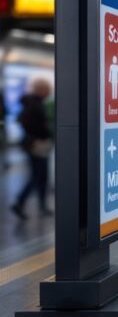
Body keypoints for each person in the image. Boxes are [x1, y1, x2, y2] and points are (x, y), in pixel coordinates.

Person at [11, 78, 53, 219]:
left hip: (35, 143)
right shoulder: (34, 105)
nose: (49, 92)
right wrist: (46, 133)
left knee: (42, 177)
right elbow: (33, 125)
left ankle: (42, 206)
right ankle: (19, 202)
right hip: (37, 144)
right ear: (41, 90)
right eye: (47, 89)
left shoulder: (32, 103)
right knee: (37, 177)